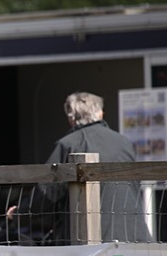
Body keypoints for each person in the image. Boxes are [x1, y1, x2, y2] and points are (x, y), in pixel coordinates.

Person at [8, 92, 152, 243]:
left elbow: (47, 192)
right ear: (101, 114)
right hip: (135, 235)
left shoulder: (69, 144)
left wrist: (19, 214)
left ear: (71, 119)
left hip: (90, 241)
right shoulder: (125, 143)